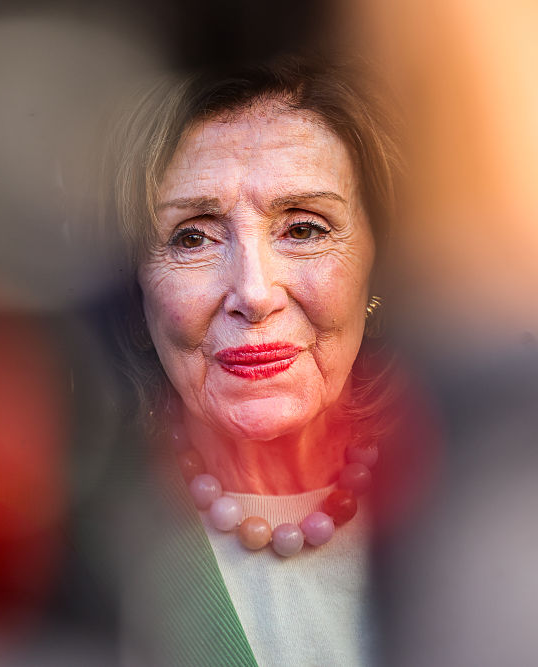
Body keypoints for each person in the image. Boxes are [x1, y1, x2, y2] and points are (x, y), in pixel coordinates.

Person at [98, 57, 403, 666]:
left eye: (306, 229)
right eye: (193, 236)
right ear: (136, 285)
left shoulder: (469, 511)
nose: (255, 293)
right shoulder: (84, 548)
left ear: (378, 264)